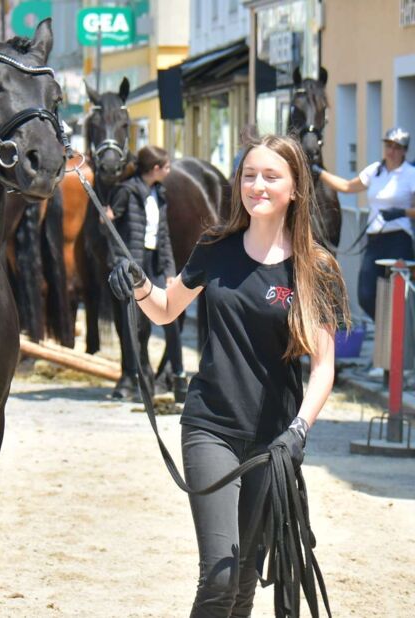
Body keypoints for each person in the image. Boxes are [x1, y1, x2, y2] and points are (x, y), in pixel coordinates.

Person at [109, 134, 348, 617]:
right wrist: (138, 285)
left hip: (274, 441)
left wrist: (298, 431)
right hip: (210, 427)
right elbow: (166, 308)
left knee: (242, 584)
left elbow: (324, 366)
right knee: (219, 576)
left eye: (271, 176)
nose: (257, 185)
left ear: (295, 188)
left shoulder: (315, 267)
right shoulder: (215, 248)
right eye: (249, 175)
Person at [108, 145, 187, 402]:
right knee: (136, 325)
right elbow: (110, 227)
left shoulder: (159, 194)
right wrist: (119, 260)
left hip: (155, 263)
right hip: (134, 264)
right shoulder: (127, 191)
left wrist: (170, 270)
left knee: (171, 317)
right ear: (155, 169)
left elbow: (164, 237)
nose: (169, 170)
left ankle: (178, 374)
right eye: (167, 167)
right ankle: (136, 379)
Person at [312, 127, 415, 320]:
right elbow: (347, 186)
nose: (391, 151)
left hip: (399, 239)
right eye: (388, 145)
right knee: (365, 295)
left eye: (397, 147)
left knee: (400, 293)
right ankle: (386, 325)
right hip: (375, 240)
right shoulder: (375, 170)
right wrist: (319, 172)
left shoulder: (410, 174)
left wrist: (401, 212)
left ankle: (399, 330)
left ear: (404, 150)